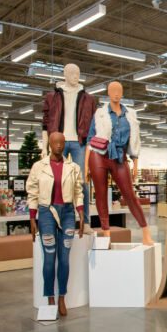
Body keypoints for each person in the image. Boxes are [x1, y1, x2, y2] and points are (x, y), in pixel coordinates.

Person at [85, 81, 154, 245]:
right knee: (101, 195)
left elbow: (135, 140)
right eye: (113, 90)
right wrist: (86, 164)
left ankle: (145, 231)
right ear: (108, 93)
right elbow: (90, 139)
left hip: (120, 156)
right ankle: (106, 233)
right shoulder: (100, 113)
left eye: (119, 90)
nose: (116, 93)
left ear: (122, 93)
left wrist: (136, 162)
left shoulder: (130, 114)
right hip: (99, 154)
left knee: (129, 195)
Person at [27, 132, 84, 317]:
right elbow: (32, 191)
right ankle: (50, 297)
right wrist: (32, 218)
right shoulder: (39, 166)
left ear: (65, 144)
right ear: (50, 144)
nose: (59, 145)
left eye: (62, 142)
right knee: (49, 258)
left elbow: (78, 191)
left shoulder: (73, 167)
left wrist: (81, 215)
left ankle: (62, 297)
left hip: (67, 212)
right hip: (46, 213)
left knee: (65, 259)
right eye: (55, 142)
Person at [42, 63, 96, 233]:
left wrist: (92, 149)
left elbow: (94, 126)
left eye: (78, 73)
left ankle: (85, 222)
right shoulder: (52, 96)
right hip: (58, 141)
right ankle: (53, 221)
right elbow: (45, 123)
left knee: (82, 183)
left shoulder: (88, 99)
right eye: (72, 73)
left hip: (80, 143)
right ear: (64, 74)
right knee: (53, 181)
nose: (75, 75)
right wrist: (44, 147)